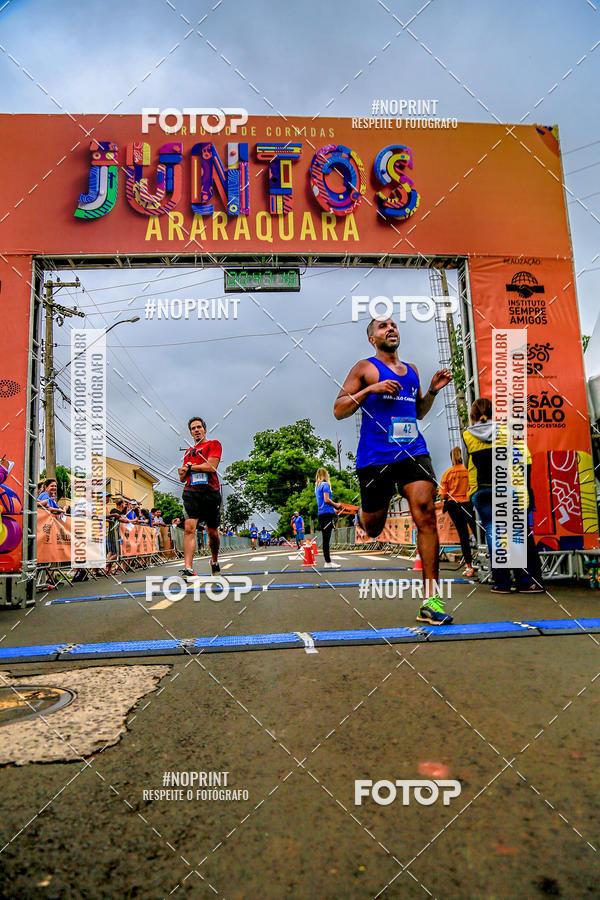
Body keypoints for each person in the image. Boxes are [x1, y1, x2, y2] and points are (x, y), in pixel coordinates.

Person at [334, 316, 453, 625]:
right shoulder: (364, 368)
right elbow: (339, 410)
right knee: (374, 528)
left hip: (412, 450)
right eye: (383, 327)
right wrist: (370, 389)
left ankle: (431, 601)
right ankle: (362, 514)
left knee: (425, 513)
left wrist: (432, 391)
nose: (391, 329)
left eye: (394, 325)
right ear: (372, 338)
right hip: (376, 457)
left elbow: (418, 412)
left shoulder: (412, 370)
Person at [463, 397, 544, 594]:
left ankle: (502, 582)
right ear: (493, 412)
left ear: (473, 415)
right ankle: (524, 582)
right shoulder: (505, 431)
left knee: (493, 533)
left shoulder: (467, 435)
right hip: (506, 486)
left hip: (483, 490)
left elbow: (467, 464)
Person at [178, 416, 222, 578]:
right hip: (191, 493)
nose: (196, 430)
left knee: (212, 532)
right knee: (189, 528)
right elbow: (183, 478)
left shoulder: (213, 444)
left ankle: (214, 560)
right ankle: (188, 568)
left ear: (204, 429)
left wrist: (191, 467)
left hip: (210, 493)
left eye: (198, 427)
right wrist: (183, 472)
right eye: (193, 428)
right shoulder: (188, 452)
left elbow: (211, 466)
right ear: (190, 433)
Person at [440, 447, 477, 577]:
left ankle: (469, 567)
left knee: (463, 535)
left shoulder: (448, 473)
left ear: (451, 458)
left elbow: (442, 494)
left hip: (453, 505)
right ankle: (488, 563)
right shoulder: (468, 471)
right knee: (478, 533)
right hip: (468, 504)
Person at [315, 468, 342, 569]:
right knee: (326, 538)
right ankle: (328, 562)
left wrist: (334, 510)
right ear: (326, 475)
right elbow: (327, 500)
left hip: (321, 514)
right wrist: (336, 505)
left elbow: (322, 502)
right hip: (327, 515)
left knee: (325, 538)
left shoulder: (317, 486)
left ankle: (328, 561)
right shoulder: (325, 485)